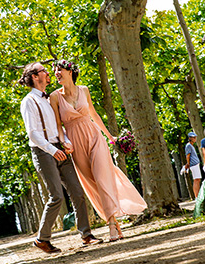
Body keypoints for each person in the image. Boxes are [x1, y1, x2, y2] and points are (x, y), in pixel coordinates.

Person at [49, 59, 147, 242]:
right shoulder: (54, 97)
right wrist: (64, 142)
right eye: (55, 71)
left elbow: (93, 115)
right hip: (75, 143)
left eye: (59, 69)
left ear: (70, 72)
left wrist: (111, 138)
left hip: (94, 137)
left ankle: (111, 226)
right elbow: (57, 125)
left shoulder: (84, 90)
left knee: (102, 177)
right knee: (94, 184)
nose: (56, 73)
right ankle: (115, 224)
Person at [19, 62, 102, 254]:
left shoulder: (50, 99)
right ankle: (42, 239)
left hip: (60, 148)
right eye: (44, 71)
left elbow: (57, 125)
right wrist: (51, 149)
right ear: (34, 77)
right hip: (43, 152)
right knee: (56, 196)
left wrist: (65, 141)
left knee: (77, 191)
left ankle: (86, 235)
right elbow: (32, 133)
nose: (48, 73)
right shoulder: (29, 101)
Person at [185, 132, 202, 198]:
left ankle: (198, 195)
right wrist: (188, 164)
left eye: (195, 137)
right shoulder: (188, 145)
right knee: (196, 179)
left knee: (198, 179)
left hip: (195, 164)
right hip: (193, 165)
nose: (195, 139)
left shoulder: (191, 145)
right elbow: (188, 155)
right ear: (189, 138)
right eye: (193, 137)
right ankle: (197, 196)